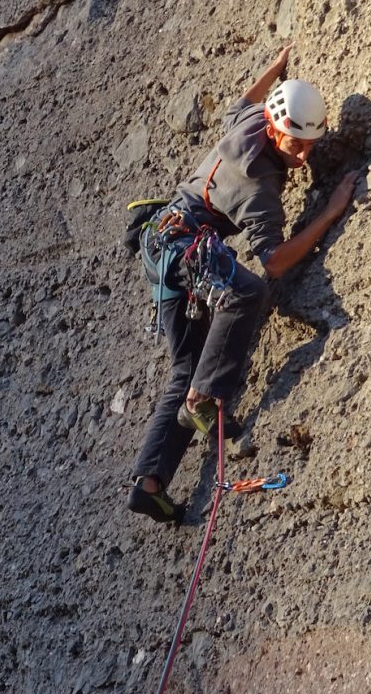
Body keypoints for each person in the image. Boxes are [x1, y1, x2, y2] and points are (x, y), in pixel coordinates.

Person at [127, 44, 358, 524]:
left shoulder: (251, 122)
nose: (304, 153)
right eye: (296, 143)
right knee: (248, 291)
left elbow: (242, 101)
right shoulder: (259, 187)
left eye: (310, 143)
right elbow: (274, 261)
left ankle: (150, 484)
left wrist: (274, 71)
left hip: (161, 245)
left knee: (187, 364)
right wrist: (332, 211)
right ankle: (202, 401)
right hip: (186, 248)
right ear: (275, 130)